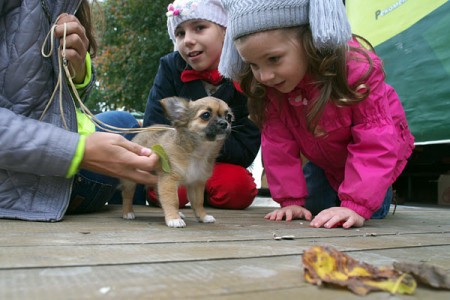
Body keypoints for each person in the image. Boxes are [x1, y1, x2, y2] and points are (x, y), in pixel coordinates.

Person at [218, 0, 415, 228]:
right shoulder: (274, 88)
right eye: (253, 65)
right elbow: (278, 144)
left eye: (274, 59)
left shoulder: (356, 72)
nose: (265, 76)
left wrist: (357, 205)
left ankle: (375, 192)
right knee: (313, 208)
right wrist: (290, 200)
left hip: (377, 151)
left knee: (369, 211)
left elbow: (375, 141)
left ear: (310, 40)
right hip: (324, 156)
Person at [0, 0, 159, 221]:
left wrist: (78, 72)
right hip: (31, 181)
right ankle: (129, 207)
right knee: (127, 126)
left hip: (61, 142)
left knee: (121, 120)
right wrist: (77, 151)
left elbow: (54, 102)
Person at [136, 0, 261, 210]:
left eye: (199, 28)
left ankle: (202, 194)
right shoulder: (169, 68)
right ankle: (194, 194)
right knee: (167, 188)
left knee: (237, 189)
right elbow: (154, 126)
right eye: (180, 33)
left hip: (220, 162)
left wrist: (204, 140)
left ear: (225, 31)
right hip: (177, 160)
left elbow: (246, 145)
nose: (188, 40)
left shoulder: (246, 73)